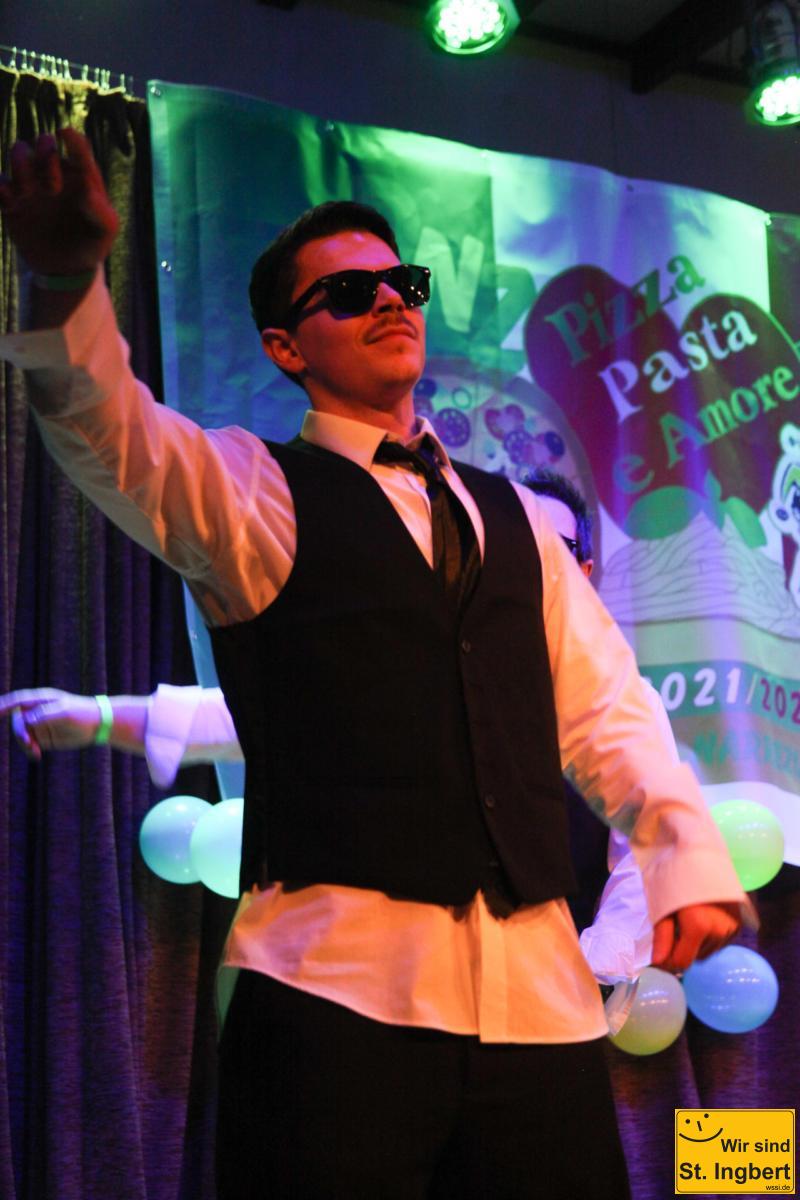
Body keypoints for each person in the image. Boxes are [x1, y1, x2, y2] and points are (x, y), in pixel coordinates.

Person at [0, 130, 751, 1200]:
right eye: (350, 293)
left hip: (539, 1008)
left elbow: (606, 709)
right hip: (333, 993)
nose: (391, 299)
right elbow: (110, 436)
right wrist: (66, 281)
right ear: (285, 346)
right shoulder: (254, 493)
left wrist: (683, 856)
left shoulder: (519, 520)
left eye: (404, 282)